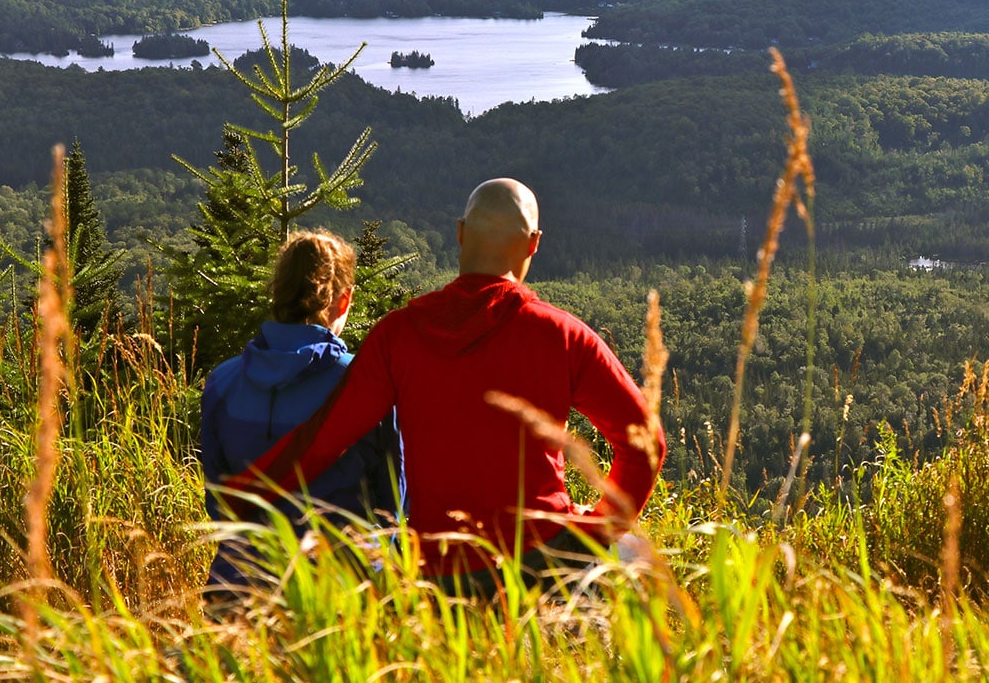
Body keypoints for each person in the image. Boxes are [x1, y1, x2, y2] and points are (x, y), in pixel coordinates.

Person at [223, 178, 666, 596]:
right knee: (637, 557)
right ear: (534, 243)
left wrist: (241, 495)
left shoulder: (396, 337)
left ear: (459, 234)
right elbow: (646, 445)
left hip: (441, 574)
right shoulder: (562, 334)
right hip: (542, 561)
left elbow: (321, 442)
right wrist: (601, 525)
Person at [200, 228, 404, 596]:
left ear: (277, 293)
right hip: (337, 596)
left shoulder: (222, 383)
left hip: (240, 591)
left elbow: (219, 504)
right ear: (344, 301)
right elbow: (393, 508)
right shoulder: (368, 386)